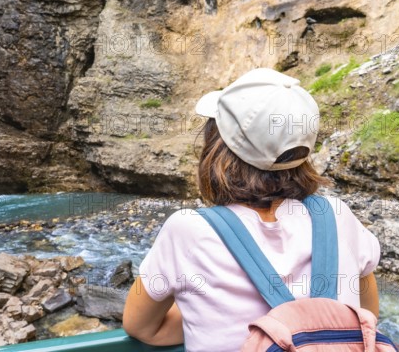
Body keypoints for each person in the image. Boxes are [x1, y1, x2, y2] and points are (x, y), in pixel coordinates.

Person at [122, 68, 381, 351]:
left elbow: (144, 328)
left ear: (218, 147)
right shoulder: (338, 215)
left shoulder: (188, 230)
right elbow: (364, 319)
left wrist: (208, 316)